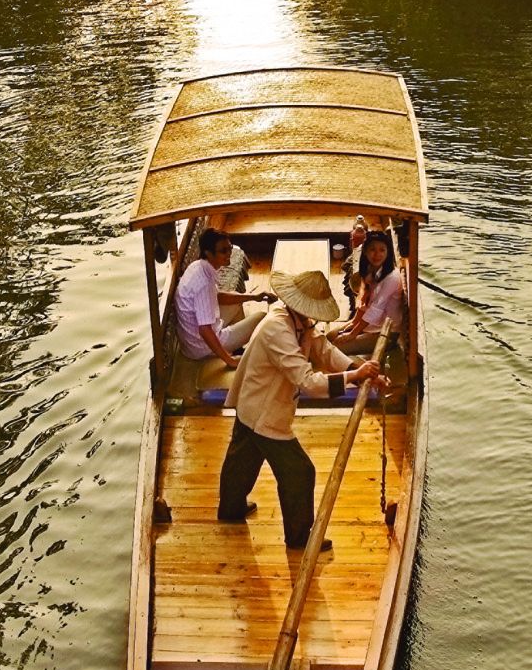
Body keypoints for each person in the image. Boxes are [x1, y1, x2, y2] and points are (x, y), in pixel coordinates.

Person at [219, 270, 383, 553]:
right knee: (300, 472)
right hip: (264, 411)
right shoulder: (277, 328)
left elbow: (324, 350)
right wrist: (351, 377)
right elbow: (308, 382)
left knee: (241, 459)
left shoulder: (301, 322)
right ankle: (298, 537)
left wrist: (357, 372)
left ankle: (231, 508)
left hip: (254, 404)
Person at [172, 227, 265, 374]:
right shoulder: (203, 283)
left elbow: (219, 296)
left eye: (229, 248)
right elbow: (204, 330)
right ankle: (232, 352)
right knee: (262, 317)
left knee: (235, 297)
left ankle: (235, 346)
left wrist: (255, 297)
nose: (229, 254)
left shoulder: (198, 266)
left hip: (193, 339)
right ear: (209, 253)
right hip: (200, 347)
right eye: (223, 251)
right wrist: (229, 361)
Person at [332, 227, 408, 352]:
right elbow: (364, 301)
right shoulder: (370, 269)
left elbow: (375, 310)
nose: (377, 255)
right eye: (372, 249)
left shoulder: (391, 278)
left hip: (386, 332)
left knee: (335, 348)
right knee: (330, 337)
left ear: (388, 252)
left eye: (382, 250)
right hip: (370, 324)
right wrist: (353, 322)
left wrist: (353, 333)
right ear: (366, 252)